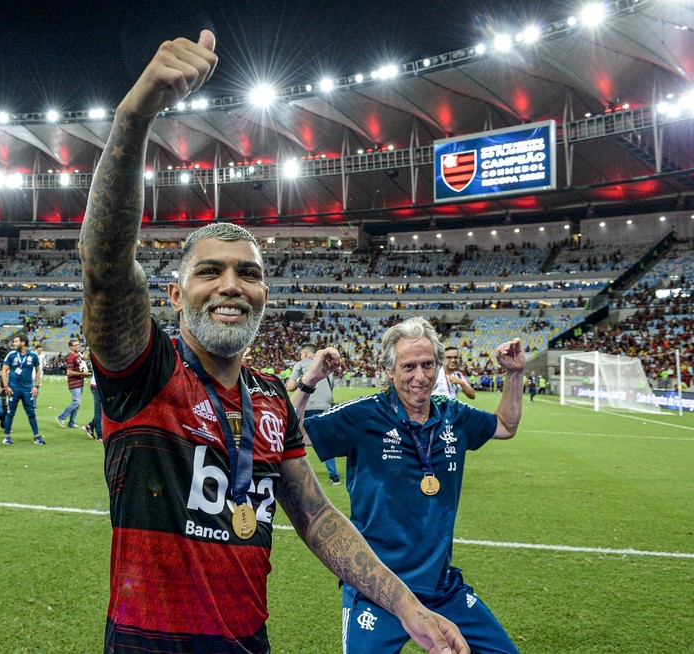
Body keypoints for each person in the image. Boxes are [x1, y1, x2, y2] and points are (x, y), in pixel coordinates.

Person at [78, 30, 467, 654]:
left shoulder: (271, 402)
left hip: (248, 643)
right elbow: (103, 263)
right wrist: (134, 116)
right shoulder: (145, 370)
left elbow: (315, 516)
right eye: (210, 271)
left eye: (249, 273)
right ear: (174, 297)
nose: (231, 285)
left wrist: (407, 606)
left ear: (264, 296)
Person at [303, 316, 524, 653]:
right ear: (389, 371)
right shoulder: (363, 414)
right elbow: (290, 435)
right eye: (408, 367)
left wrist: (514, 373)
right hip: (376, 587)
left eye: (427, 365)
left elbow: (506, 425)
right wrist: (309, 382)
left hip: (441, 585)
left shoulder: (454, 415)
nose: (420, 377)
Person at [286, 342, 341, 485]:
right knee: (326, 440)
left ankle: (296, 474)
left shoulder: (300, 364)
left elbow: (290, 387)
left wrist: (301, 379)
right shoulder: (327, 364)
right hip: (325, 406)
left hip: (307, 405)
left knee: (295, 440)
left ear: (304, 353)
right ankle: (334, 476)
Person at [0, 333, 45, 445]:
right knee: (10, 413)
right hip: (13, 389)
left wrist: (36, 386)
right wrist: (6, 386)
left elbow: (38, 370)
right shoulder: (11, 355)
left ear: (23, 343)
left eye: (16, 341)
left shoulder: (33, 356)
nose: (14, 343)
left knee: (31, 413)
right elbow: (4, 371)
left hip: (27, 389)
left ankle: (37, 436)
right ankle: (6, 436)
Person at [55, 338, 91, 429]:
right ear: (71, 347)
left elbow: (81, 363)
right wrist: (83, 374)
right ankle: (61, 417)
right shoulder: (71, 356)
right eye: (75, 345)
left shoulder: (78, 355)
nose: (77, 346)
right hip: (74, 383)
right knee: (76, 402)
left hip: (80, 381)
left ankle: (72, 422)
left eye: (78, 345)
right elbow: (69, 372)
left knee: (77, 404)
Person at [83, 366, 102, 441]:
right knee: (99, 411)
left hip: (102, 386)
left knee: (102, 411)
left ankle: (90, 425)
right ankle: (100, 434)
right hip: (97, 386)